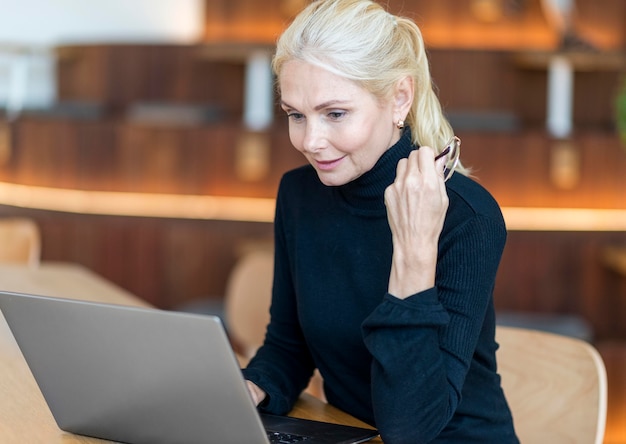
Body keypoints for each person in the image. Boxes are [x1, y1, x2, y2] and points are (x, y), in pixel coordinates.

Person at [242, 0, 519, 442]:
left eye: (335, 113)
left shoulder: (468, 217)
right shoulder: (299, 194)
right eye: (296, 114)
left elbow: (410, 427)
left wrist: (414, 248)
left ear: (399, 99)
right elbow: (288, 346)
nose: (311, 142)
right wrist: (247, 389)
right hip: (355, 436)